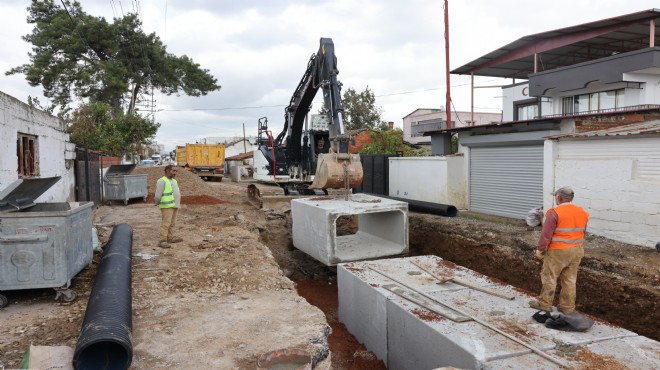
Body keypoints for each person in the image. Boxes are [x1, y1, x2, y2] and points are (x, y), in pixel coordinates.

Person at [529, 186, 589, 314]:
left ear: (560, 198)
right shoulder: (582, 212)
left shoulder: (554, 212)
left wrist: (540, 249)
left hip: (558, 251)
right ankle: (567, 307)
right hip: (577, 249)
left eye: (556, 197)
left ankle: (544, 304)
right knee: (570, 279)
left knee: (550, 277)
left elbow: (546, 234)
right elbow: (582, 232)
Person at [154, 165, 182, 248]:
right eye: (173, 171)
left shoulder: (174, 181)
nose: (175, 173)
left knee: (172, 223)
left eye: (176, 171)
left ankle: (170, 237)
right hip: (166, 206)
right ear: (167, 171)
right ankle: (162, 241)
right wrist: (157, 203)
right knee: (166, 224)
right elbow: (157, 196)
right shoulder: (161, 181)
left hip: (174, 205)